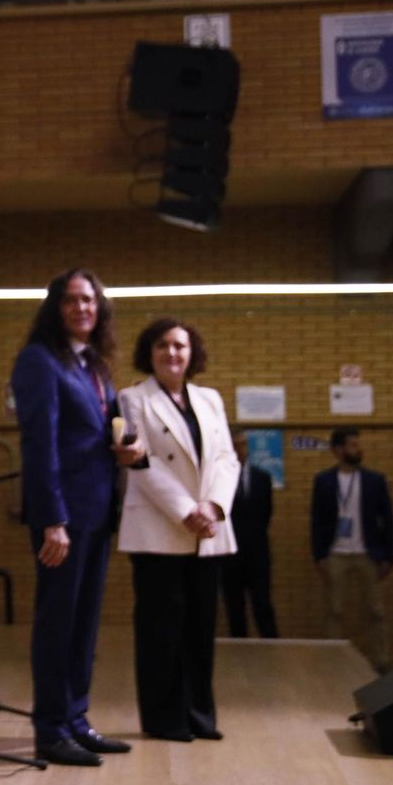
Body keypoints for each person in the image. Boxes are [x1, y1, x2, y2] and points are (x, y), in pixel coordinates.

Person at [11, 269, 146, 767]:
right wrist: (51, 520)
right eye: (70, 300)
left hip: (96, 512)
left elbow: (104, 432)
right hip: (62, 519)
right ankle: (49, 729)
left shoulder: (95, 366)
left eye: (88, 300)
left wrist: (127, 448)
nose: (81, 308)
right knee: (57, 624)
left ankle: (76, 719)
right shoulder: (39, 361)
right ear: (55, 307)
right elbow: (39, 445)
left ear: (100, 308)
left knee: (84, 625)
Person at [116, 318, 238, 742]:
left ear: (192, 353)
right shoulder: (132, 398)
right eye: (163, 345)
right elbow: (140, 462)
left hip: (208, 529)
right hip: (160, 527)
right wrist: (186, 509)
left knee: (201, 629)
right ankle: (165, 719)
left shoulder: (210, 399)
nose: (172, 353)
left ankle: (200, 717)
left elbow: (226, 458)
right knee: (161, 631)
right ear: (149, 353)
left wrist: (214, 506)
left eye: (180, 346)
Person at [310, 429, 393, 672]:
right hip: (336, 552)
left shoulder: (374, 480)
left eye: (358, 445)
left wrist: (389, 555)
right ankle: (332, 661)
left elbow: (388, 519)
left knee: (375, 610)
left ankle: (380, 662)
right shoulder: (324, 481)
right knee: (334, 610)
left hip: (367, 552)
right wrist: (319, 555)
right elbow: (316, 520)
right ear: (337, 450)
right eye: (352, 445)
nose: (357, 449)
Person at [221, 430, 279, 638]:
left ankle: (272, 646)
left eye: (243, 445)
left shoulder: (262, 478)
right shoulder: (221, 479)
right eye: (235, 445)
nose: (240, 450)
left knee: (262, 604)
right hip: (230, 555)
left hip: (257, 553)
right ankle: (240, 650)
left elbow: (266, 514)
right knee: (234, 607)